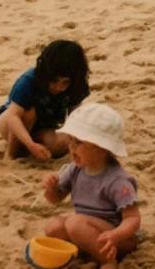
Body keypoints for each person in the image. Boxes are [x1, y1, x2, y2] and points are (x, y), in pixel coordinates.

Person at [43, 103, 141, 269]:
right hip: (86, 230)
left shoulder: (117, 180)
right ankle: (85, 251)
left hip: (117, 239)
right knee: (54, 227)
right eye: (71, 141)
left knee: (74, 223)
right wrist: (51, 188)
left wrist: (115, 235)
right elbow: (55, 199)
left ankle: (108, 261)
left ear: (102, 149)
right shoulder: (75, 169)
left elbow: (133, 218)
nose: (71, 147)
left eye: (79, 143)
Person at [0, 39, 90, 160]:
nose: (58, 87)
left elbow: (75, 114)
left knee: (65, 142)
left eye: (65, 82)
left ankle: (30, 148)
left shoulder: (76, 84)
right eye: (54, 80)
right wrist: (30, 145)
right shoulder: (29, 80)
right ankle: (12, 154)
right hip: (13, 123)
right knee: (29, 113)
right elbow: (12, 116)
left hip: (44, 128)